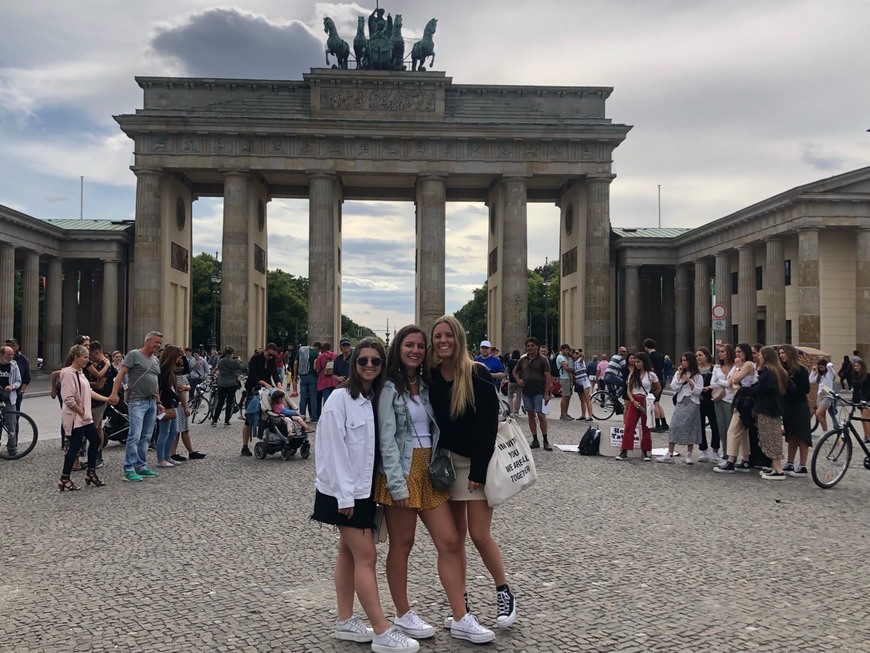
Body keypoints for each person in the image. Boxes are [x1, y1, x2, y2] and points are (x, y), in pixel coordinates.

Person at [374, 324, 494, 644]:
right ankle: (402, 612)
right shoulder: (388, 388)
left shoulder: (426, 384)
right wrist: (397, 486)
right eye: (409, 345)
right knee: (403, 544)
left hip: (430, 468)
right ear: (397, 348)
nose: (415, 350)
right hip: (400, 471)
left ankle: (460, 617)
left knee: (450, 541)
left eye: (419, 346)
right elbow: (386, 440)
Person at [311, 337, 420, 653]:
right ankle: (382, 630)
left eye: (376, 361)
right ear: (353, 363)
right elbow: (332, 449)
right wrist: (345, 496)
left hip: (363, 489)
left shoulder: (374, 398)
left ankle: (345, 620)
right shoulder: (338, 399)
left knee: (347, 553)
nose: (370, 366)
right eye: (363, 361)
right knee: (366, 556)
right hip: (344, 494)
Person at [429, 315, 517, 631]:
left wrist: (479, 469)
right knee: (455, 540)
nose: (443, 341)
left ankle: (503, 589)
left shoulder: (476, 373)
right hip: (447, 465)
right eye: (437, 336)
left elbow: (487, 425)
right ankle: (461, 602)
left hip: (476, 463)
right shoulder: (432, 376)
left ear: (459, 338)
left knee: (479, 534)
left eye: (448, 335)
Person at [108, 331, 163, 483]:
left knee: (146, 436)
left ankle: (141, 465)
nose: (158, 345)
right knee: (135, 435)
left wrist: (158, 402)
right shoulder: (133, 355)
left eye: (160, 343)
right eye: (156, 342)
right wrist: (114, 393)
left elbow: (155, 382)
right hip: (137, 401)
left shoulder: (155, 360)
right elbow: (120, 374)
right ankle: (129, 468)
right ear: (148, 341)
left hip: (151, 401)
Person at [58, 345, 109, 490]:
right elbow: (68, 399)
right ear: (76, 358)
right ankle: (64, 478)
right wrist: (81, 412)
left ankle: (90, 473)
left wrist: (106, 399)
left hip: (83, 417)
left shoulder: (79, 373)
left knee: (95, 440)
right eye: (85, 357)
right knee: (74, 447)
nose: (88, 360)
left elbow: (89, 392)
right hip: (76, 418)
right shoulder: (68, 374)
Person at [714, 343, 758, 474]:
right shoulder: (743, 365)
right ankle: (745, 459)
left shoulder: (748, 365)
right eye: (736, 351)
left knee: (733, 430)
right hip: (739, 398)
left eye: (739, 352)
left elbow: (735, 379)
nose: (737, 354)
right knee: (742, 432)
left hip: (745, 399)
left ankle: (731, 460)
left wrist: (738, 368)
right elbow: (730, 381)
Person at [658, 352, 703, 464]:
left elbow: (698, 391)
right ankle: (670, 453)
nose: (683, 362)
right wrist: (678, 377)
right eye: (682, 360)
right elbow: (674, 387)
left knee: (691, 427)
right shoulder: (679, 373)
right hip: (681, 402)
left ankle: (689, 454)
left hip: (692, 402)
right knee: (674, 425)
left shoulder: (698, 375)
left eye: (685, 360)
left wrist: (689, 381)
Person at [615, 351, 659, 461]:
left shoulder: (651, 375)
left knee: (646, 427)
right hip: (634, 400)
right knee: (629, 426)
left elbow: (658, 387)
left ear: (644, 362)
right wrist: (632, 400)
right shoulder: (632, 375)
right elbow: (629, 390)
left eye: (638, 362)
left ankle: (645, 451)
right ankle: (624, 450)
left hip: (646, 400)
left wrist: (652, 398)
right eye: (635, 362)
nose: (636, 364)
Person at [754, 346, 790, 480]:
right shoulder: (779, 371)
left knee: (769, 438)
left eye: (761, 356)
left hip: (766, 409)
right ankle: (776, 467)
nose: (759, 358)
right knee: (773, 437)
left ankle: (778, 469)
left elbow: (760, 390)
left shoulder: (767, 372)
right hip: (775, 408)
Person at [513, 337, 552, 451]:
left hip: (539, 391)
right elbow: (515, 371)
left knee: (541, 415)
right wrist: (518, 380)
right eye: (528, 346)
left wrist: (546, 393)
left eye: (532, 345)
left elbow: (548, 376)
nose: (530, 348)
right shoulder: (523, 359)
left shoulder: (543, 360)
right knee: (530, 415)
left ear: (537, 346)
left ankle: (545, 440)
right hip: (526, 392)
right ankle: (535, 439)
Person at [241, 343, 280, 456]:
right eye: (269, 355)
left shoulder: (272, 360)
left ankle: (273, 439)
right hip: (254, 387)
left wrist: (278, 384)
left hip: (266, 389)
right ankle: (245, 446)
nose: (271, 357)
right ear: (265, 351)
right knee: (249, 417)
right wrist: (265, 384)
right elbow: (253, 375)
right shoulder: (255, 359)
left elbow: (275, 373)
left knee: (271, 413)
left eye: (273, 356)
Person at [778, 344, 811, 476]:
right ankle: (790, 462)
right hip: (788, 406)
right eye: (780, 353)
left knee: (802, 436)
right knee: (791, 435)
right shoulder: (783, 369)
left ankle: (803, 465)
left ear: (790, 354)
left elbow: (805, 389)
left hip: (799, 405)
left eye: (783, 353)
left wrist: (791, 387)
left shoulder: (800, 369)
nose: (781, 355)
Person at [156, 345, 183, 468]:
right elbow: (166, 388)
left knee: (173, 431)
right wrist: (177, 398)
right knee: (164, 432)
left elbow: (185, 369)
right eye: (178, 356)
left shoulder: (171, 368)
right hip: (165, 403)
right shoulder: (165, 368)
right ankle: (161, 459)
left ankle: (167, 456)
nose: (180, 359)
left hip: (170, 403)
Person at [710, 343, 736, 460]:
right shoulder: (716, 367)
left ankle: (732, 454)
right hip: (718, 398)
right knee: (721, 427)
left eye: (723, 351)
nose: (720, 354)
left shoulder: (735, 367)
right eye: (719, 351)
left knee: (731, 428)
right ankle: (725, 453)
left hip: (730, 399)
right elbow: (712, 383)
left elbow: (734, 383)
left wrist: (721, 382)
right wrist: (725, 382)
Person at [696, 347, 721, 463]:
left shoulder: (714, 368)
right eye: (697, 356)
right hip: (699, 399)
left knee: (715, 425)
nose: (698, 358)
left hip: (711, 399)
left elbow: (718, 382)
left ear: (706, 355)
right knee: (699, 425)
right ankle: (703, 450)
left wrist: (709, 387)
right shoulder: (695, 370)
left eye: (700, 355)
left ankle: (715, 450)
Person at [211, 347, 246, 427]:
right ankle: (226, 421)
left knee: (220, 402)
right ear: (232, 353)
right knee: (229, 402)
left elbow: (218, 369)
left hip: (222, 383)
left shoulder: (220, 361)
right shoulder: (234, 362)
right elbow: (242, 368)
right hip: (231, 383)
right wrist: (239, 361)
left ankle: (214, 420)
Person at [0, 345, 23, 457]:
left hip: (9, 398)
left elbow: (19, 380)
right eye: (8, 354)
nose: (10, 357)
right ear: (1, 355)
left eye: (12, 354)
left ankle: (12, 448)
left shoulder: (14, 365)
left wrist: (12, 386)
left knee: (11, 424)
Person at [643, 338, 669, 432]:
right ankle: (664, 424)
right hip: (661, 379)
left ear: (646, 347)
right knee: (658, 403)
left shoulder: (650, 356)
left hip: (655, 381)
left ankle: (658, 425)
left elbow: (651, 369)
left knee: (654, 403)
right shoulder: (660, 355)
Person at [810, 358, 838, 431]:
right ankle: (825, 431)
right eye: (819, 368)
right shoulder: (820, 375)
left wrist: (826, 363)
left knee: (818, 413)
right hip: (820, 394)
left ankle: (825, 432)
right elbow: (810, 380)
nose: (821, 369)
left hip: (828, 394)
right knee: (822, 415)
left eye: (822, 367)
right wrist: (813, 372)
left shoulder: (830, 373)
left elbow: (829, 365)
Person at [4, 338, 30, 412]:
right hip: (2, 390)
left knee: (15, 413)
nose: (9, 347)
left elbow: (27, 377)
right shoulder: (2, 359)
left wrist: (22, 390)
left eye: (12, 345)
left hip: (16, 390)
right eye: (7, 345)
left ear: (17, 347)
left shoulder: (22, 359)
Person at [297, 341, 321, 421]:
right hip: (313, 376)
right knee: (313, 397)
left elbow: (296, 362)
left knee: (303, 397)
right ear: (317, 347)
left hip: (303, 376)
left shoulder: (302, 351)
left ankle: (302, 415)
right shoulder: (316, 354)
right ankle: (313, 416)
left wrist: (295, 374)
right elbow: (316, 366)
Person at [851, 358, 870, 443]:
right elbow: (855, 391)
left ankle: (867, 437)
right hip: (861, 401)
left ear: (862, 366)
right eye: (855, 366)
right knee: (865, 419)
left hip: (867, 400)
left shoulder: (868, 376)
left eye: (858, 366)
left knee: (864, 419)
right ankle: (867, 435)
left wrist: (864, 399)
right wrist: (854, 403)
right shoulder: (855, 377)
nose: (856, 367)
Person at [315, 342, 339, 409]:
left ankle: (326, 413)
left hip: (324, 380)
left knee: (326, 399)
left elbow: (318, 369)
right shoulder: (335, 355)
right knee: (334, 399)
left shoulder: (321, 356)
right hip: (334, 380)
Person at [572, 348, 593, 421]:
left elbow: (583, 357)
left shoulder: (580, 361)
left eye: (577, 353)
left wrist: (581, 354)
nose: (575, 354)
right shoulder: (574, 363)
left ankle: (590, 416)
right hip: (579, 382)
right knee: (582, 400)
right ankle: (583, 415)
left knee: (587, 399)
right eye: (574, 353)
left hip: (584, 381)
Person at [555, 344, 574, 420]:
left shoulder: (566, 357)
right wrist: (574, 370)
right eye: (566, 350)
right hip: (564, 378)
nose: (567, 351)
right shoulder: (560, 357)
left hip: (568, 378)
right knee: (565, 397)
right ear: (562, 350)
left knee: (568, 397)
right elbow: (565, 367)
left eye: (568, 350)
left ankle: (566, 413)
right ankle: (563, 414)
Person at [505, 350, 522, 416]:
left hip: (511, 380)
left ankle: (510, 411)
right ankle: (517, 411)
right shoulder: (520, 362)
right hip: (519, 380)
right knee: (518, 397)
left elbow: (506, 370)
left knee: (510, 396)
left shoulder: (510, 362)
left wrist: (507, 377)